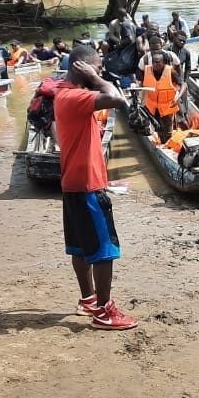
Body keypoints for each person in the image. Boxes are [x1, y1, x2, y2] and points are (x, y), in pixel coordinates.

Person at [55, 45, 138, 331]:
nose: (100, 73)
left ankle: (88, 298)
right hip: (88, 184)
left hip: (72, 182)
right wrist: (97, 78)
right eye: (97, 68)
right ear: (83, 69)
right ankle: (104, 311)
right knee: (104, 249)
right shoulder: (76, 96)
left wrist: (94, 76)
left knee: (80, 246)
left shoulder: (63, 94)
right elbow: (116, 97)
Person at [142, 49, 186, 140]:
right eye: (153, 62)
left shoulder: (170, 72)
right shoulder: (147, 71)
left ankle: (168, 143)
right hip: (152, 106)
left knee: (168, 130)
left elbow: (183, 84)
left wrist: (178, 97)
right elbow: (142, 86)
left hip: (167, 106)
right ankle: (161, 142)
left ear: (164, 63)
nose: (155, 64)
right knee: (158, 128)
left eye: (158, 62)